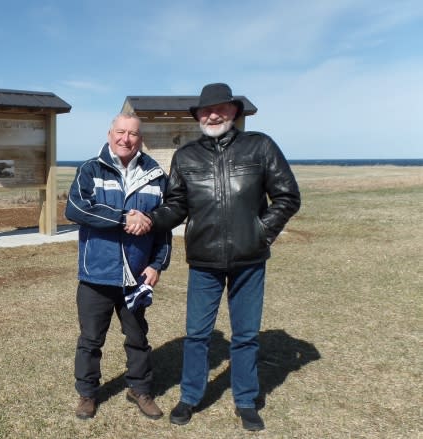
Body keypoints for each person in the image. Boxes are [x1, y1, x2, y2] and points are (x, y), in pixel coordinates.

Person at [126, 83, 301, 431]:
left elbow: (287, 196)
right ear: (198, 116)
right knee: (196, 334)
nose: (213, 114)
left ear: (233, 111)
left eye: (220, 108)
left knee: (246, 335)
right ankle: (191, 396)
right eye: (206, 110)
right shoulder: (187, 156)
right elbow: (176, 206)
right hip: (204, 261)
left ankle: (246, 400)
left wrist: (261, 232)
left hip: (249, 261)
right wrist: (149, 218)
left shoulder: (260, 146)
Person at [65, 112, 173, 420]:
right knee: (90, 340)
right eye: (121, 132)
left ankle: (140, 389)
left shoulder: (155, 174)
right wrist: (123, 218)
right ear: (110, 133)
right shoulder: (90, 169)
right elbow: (75, 209)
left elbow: (162, 226)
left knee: (138, 338)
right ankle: (87, 394)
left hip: (136, 275)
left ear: (141, 139)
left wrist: (157, 264)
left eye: (133, 134)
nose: (126, 139)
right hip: (96, 273)